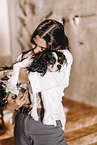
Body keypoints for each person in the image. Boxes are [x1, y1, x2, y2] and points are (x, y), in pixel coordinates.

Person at [0, 19, 73, 145]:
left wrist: (2, 73)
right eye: (34, 43)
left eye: (42, 47)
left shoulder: (62, 58)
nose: (35, 50)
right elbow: (14, 85)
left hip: (46, 123)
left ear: (56, 46)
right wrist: (9, 104)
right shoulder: (26, 56)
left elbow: (28, 78)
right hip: (21, 119)